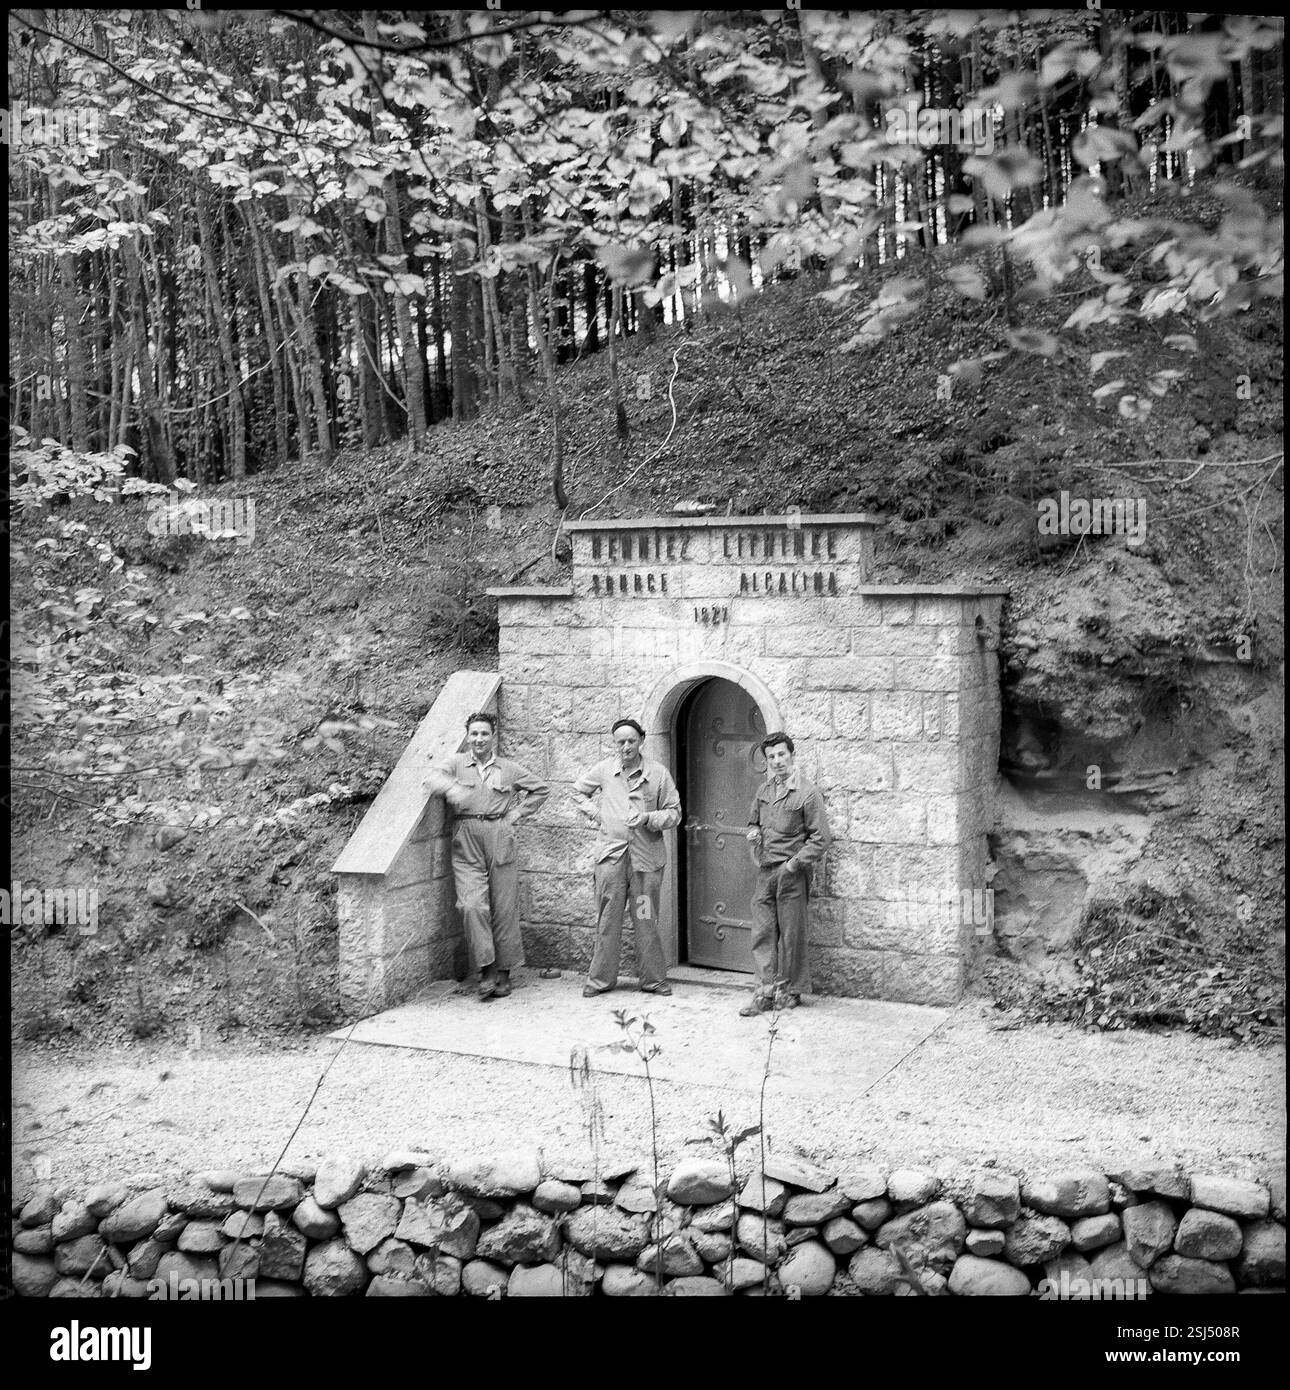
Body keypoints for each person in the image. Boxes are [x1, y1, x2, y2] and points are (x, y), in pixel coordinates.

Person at [425, 712, 549, 1001]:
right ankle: (487, 967)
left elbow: (541, 789)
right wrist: (452, 788)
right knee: (472, 905)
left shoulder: (508, 769)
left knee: (504, 906)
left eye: (484, 734)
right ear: (467, 736)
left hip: (499, 834)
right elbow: (431, 777)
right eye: (474, 734)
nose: (479, 739)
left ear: (494, 736)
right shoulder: (457, 764)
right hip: (465, 836)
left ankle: (504, 972)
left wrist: (516, 813)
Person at [573, 718, 682, 997]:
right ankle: (600, 980)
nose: (626, 746)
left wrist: (647, 818)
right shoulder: (604, 771)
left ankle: (653, 980)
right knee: (608, 919)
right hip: (611, 860)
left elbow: (674, 813)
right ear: (614, 744)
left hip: (645, 865)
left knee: (645, 918)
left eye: (631, 740)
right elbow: (577, 792)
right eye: (620, 741)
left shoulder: (658, 774)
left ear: (641, 740)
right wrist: (598, 815)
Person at [741, 731, 831, 1014]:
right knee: (763, 932)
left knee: (792, 935)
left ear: (792, 755)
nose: (777, 761)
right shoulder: (764, 791)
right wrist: (753, 834)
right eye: (771, 757)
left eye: (782, 755)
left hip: (792, 873)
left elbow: (821, 838)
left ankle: (790, 991)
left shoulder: (807, 793)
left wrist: (793, 865)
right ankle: (765, 992)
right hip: (766, 872)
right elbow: (752, 822)